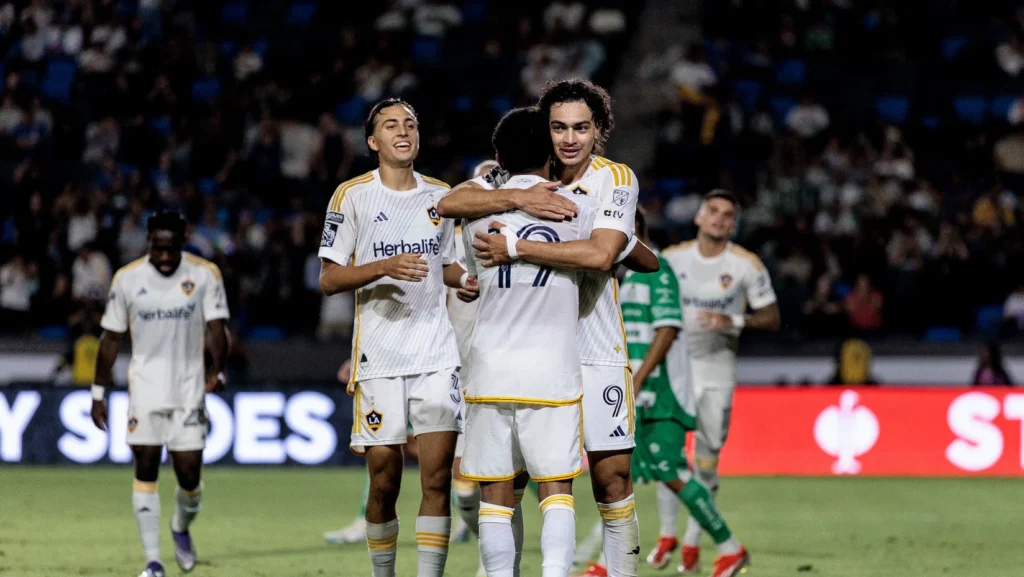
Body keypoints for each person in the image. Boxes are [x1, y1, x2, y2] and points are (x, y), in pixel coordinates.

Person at [441, 78, 659, 577]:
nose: (569, 139)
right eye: (559, 127)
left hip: (596, 346)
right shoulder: (520, 173)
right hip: (534, 352)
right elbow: (451, 201)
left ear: (599, 130)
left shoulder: (614, 178)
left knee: (612, 480)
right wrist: (518, 200)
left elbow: (603, 254)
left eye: (581, 128)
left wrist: (518, 246)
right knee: (513, 481)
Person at [317, 97, 477, 577]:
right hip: (381, 356)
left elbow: (444, 264)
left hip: (436, 354)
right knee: (384, 481)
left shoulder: (441, 196)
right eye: (390, 125)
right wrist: (384, 266)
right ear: (373, 141)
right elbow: (329, 278)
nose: (403, 131)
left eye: (410, 123)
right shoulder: (352, 195)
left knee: (437, 479)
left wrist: (465, 280)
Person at [459, 106, 597, 577]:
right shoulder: (577, 209)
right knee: (556, 490)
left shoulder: (475, 218)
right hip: (552, 369)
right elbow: (604, 255)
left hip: (489, 368)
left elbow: (456, 211)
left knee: (496, 494)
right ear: (551, 153)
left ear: (498, 158)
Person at [90, 211, 230, 577]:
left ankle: (180, 527)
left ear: (184, 241)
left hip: (188, 390)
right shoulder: (127, 278)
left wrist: (218, 369)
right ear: (148, 241)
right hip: (145, 390)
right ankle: (153, 562)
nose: (165, 257)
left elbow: (217, 328)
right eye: (158, 248)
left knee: (189, 477)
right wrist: (98, 392)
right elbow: (110, 339)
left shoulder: (205, 274)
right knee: (146, 467)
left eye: (172, 249)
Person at [624, 209, 750, 577]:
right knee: (627, 475)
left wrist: (638, 380)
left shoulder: (656, 269)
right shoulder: (625, 275)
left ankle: (729, 547)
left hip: (662, 393)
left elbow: (667, 329)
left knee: (672, 471)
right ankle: (641, 550)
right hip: (642, 393)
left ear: (633, 230)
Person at [660, 190, 777, 574]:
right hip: (675, 368)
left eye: (728, 215)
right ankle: (666, 535)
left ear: (734, 224)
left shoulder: (745, 265)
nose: (719, 219)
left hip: (717, 370)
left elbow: (772, 317)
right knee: (667, 455)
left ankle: (692, 541)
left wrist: (733, 321)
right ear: (698, 216)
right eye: (713, 211)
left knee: (706, 463)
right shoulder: (671, 258)